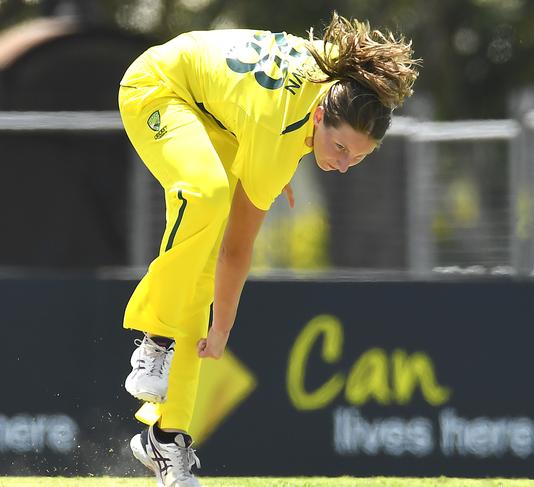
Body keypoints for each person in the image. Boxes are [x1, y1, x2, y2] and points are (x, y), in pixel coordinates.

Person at [118, 11, 419, 487]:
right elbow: (236, 252)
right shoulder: (277, 137)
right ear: (319, 115)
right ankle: (154, 340)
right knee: (206, 195)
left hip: (220, 118)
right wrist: (222, 329)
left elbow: (293, 124)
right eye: (340, 149)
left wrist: (295, 154)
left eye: (358, 158)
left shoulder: (339, 79)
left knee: (197, 271)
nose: (343, 166)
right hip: (157, 87)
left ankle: (166, 440)